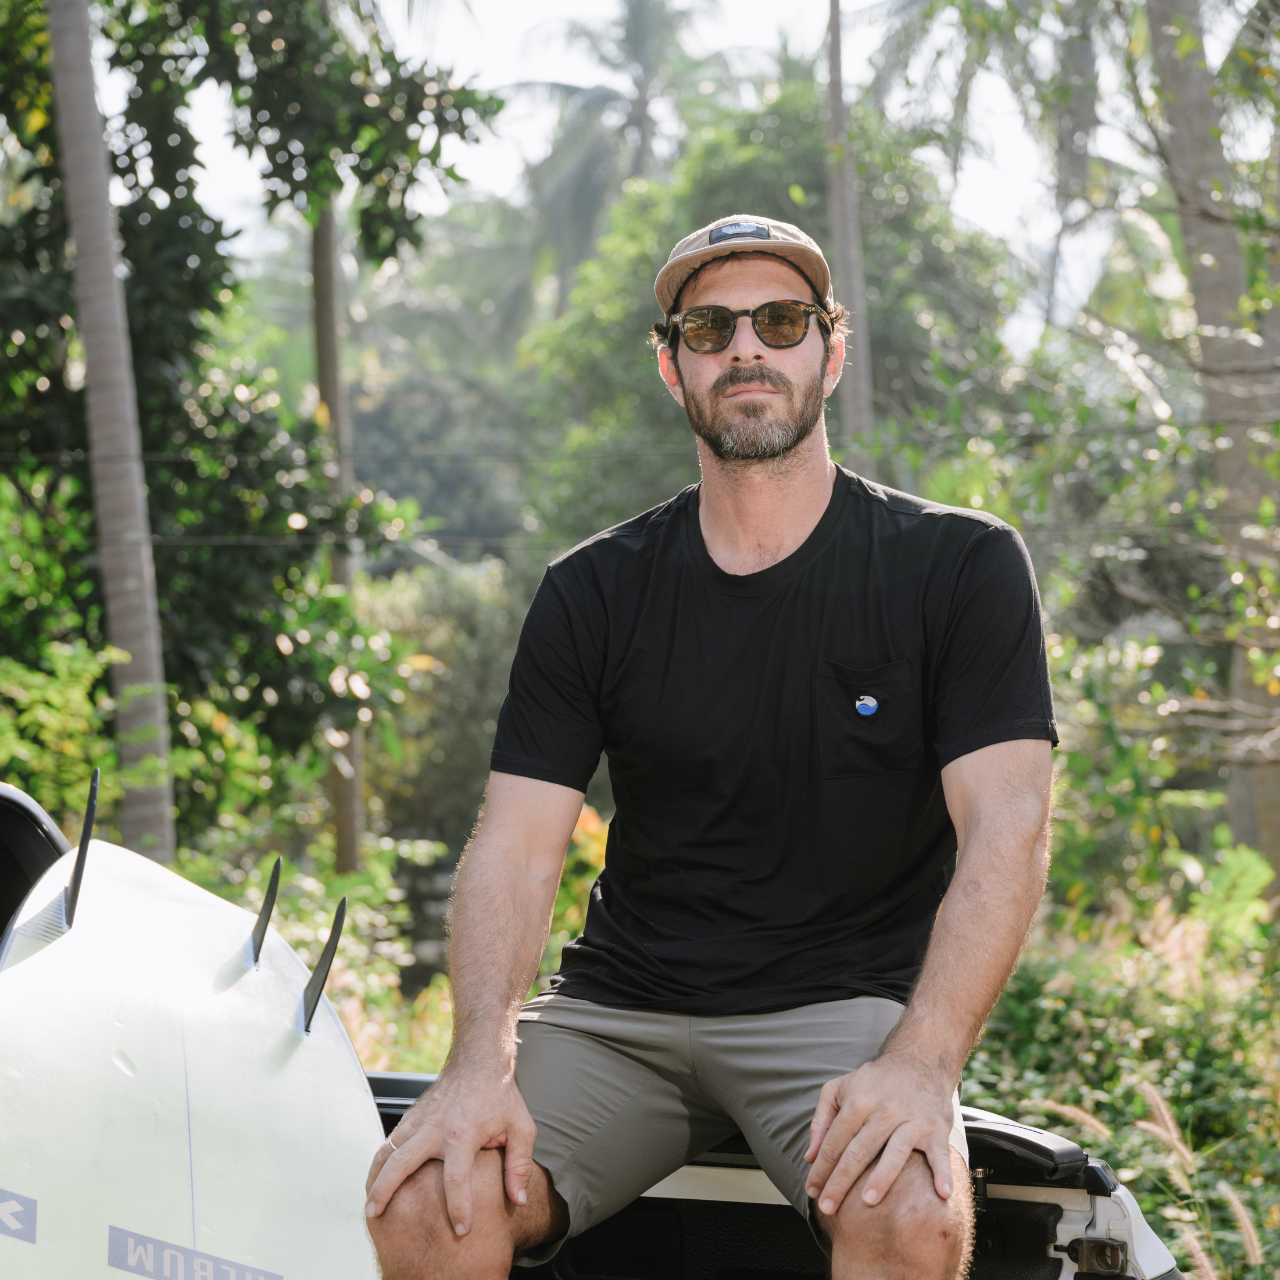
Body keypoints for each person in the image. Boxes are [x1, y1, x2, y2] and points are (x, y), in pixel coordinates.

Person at [364, 214, 1057, 1280]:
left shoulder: (955, 566)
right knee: (428, 1204)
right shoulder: (591, 590)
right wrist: (474, 1064)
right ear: (670, 362)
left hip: (840, 1008)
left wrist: (921, 1062)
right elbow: (513, 846)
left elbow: (1005, 827)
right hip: (621, 1008)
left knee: (910, 1211)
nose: (745, 347)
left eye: (778, 320)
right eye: (708, 325)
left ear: (829, 348)